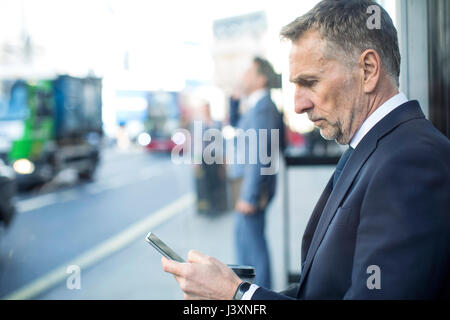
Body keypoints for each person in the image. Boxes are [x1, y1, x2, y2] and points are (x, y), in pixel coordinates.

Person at [160, 0, 450, 299]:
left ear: (368, 69)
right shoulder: (380, 147)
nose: (299, 105)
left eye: (309, 82)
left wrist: (238, 295)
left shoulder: (411, 162)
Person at [226, 57, 284, 289]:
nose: (243, 76)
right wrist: (233, 102)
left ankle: (261, 297)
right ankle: (251, 295)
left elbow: (260, 155)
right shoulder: (256, 106)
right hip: (247, 188)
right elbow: (237, 124)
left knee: (253, 249)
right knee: (245, 247)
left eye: (248, 72)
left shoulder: (263, 109)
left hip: (251, 192)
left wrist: (249, 196)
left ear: (261, 78)